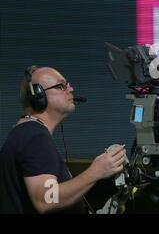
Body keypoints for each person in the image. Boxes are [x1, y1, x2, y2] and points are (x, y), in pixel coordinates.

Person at [0, 66, 127, 214]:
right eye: (61, 86)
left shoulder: (27, 132)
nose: (70, 89)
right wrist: (96, 171)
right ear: (39, 96)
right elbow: (45, 200)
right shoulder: (35, 136)